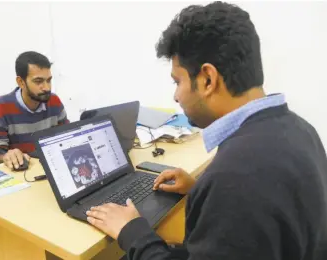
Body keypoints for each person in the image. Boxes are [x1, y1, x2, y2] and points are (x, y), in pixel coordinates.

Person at [86, 2, 327, 260]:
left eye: (177, 81)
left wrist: (132, 231)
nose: (175, 96)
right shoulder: (300, 129)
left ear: (208, 80)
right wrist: (201, 190)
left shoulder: (234, 179)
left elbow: (241, 191)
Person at [0, 51, 69, 169]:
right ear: (21, 82)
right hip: (20, 174)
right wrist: (7, 156)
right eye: (38, 81)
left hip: (50, 170)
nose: (47, 87)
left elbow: (66, 138)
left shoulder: (54, 102)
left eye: (48, 80)